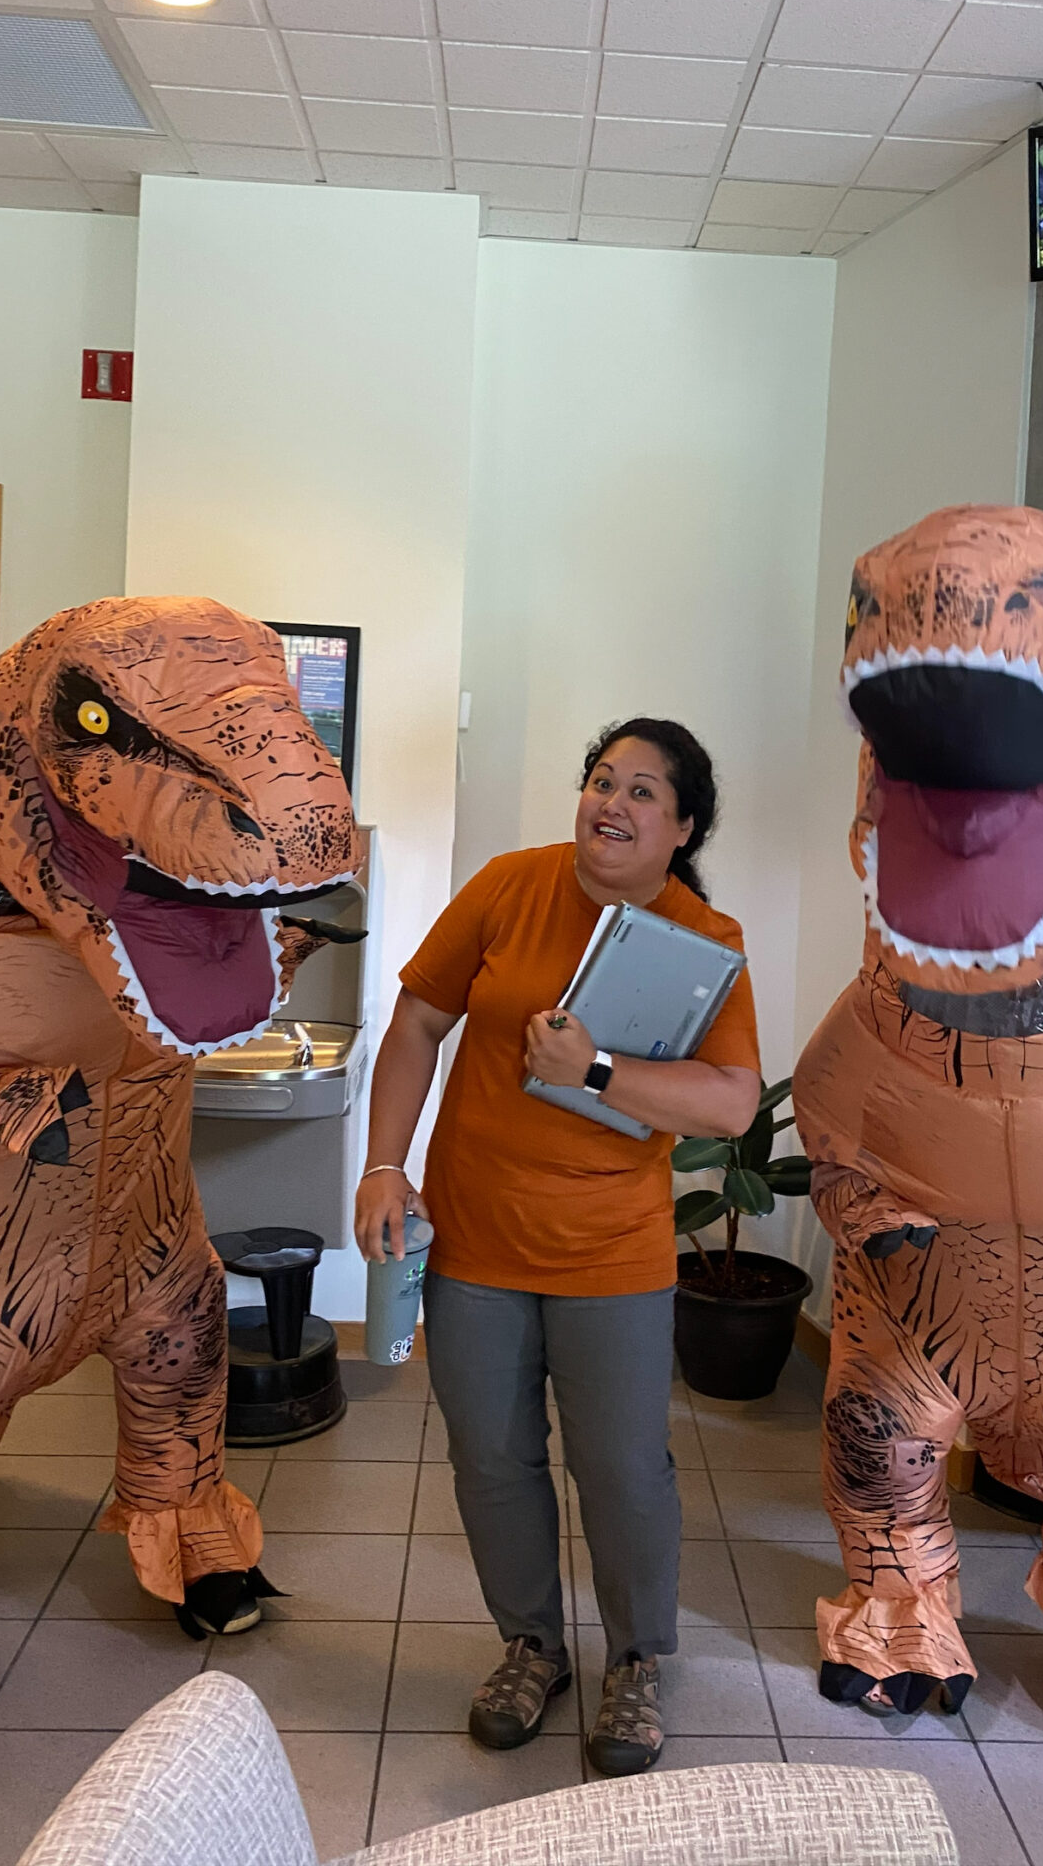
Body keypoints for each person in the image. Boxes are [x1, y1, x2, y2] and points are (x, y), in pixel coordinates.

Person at [355, 718, 760, 1776]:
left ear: (682, 827)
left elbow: (729, 1101)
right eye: (598, 781)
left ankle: (635, 1658)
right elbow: (413, 1024)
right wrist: (383, 1165)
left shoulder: (702, 940)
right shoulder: (507, 885)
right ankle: (531, 1643)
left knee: (623, 1467)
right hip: (474, 1240)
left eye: (640, 792)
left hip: (610, 1253)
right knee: (490, 1456)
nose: (609, 805)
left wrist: (595, 1072)